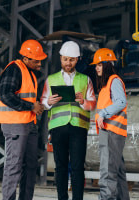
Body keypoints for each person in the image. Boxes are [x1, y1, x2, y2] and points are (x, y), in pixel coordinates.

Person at [41, 41, 96, 200]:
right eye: (65, 59)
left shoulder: (86, 80)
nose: (68, 63)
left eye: (71, 59)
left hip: (78, 127)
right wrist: (49, 102)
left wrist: (82, 101)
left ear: (77, 59)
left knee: (78, 167)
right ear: (60, 58)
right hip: (58, 128)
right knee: (61, 167)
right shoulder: (50, 80)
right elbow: (43, 102)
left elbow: (92, 104)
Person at [0, 39, 46, 200]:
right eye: (36, 60)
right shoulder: (14, 69)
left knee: (30, 166)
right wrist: (31, 107)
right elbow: (5, 95)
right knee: (14, 165)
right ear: (26, 58)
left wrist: (37, 105)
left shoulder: (29, 72)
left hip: (29, 124)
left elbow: (25, 97)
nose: (40, 63)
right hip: (15, 124)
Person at [91, 48, 130, 200]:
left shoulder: (114, 81)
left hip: (111, 133)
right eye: (96, 65)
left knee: (107, 173)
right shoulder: (107, 85)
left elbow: (121, 102)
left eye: (99, 64)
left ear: (107, 64)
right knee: (118, 174)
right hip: (111, 133)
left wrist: (102, 113)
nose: (96, 68)